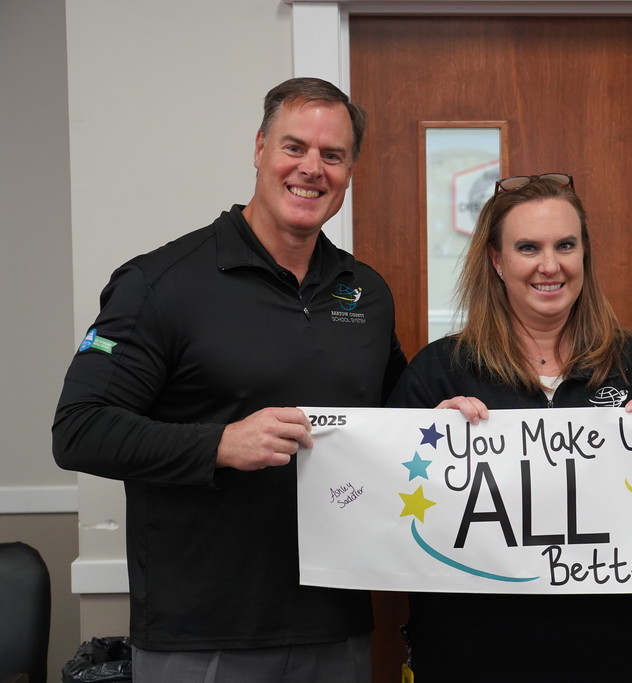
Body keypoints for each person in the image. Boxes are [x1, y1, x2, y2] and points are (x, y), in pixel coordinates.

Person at [52, 77, 406, 683]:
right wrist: (219, 444)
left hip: (336, 626)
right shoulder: (161, 283)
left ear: (349, 172)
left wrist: (449, 415)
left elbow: (397, 419)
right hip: (202, 634)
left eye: (333, 155)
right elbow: (79, 431)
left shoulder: (366, 292)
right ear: (260, 147)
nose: (311, 168)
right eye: (294, 147)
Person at [386, 173, 632, 682]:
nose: (549, 265)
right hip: (469, 660)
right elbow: (386, 512)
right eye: (528, 247)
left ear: (584, 254)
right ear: (496, 259)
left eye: (565, 245)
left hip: (619, 658)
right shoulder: (440, 371)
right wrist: (425, 446)